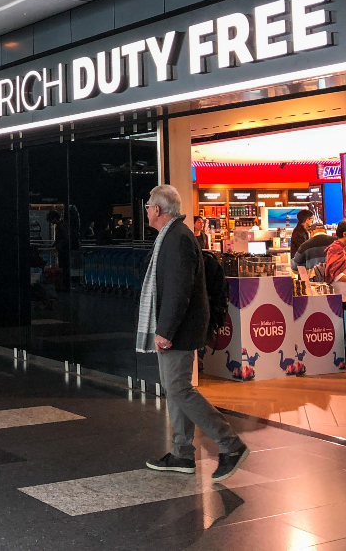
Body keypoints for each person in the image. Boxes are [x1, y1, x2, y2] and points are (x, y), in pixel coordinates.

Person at [139, 185, 249, 481]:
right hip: (178, 328)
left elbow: (178, 290)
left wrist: (165, 331)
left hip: (180, 330)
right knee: (174, 388)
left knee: (179, 389)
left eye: (148, 205)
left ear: (157, 209)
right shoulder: (173, 236)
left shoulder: (176, 239)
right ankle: (182, 453)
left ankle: (230, 444)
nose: (146, 210)